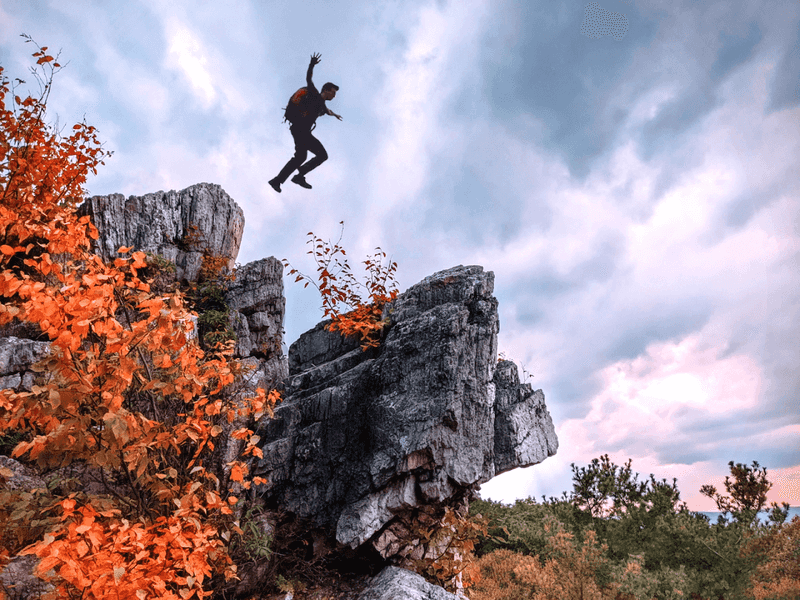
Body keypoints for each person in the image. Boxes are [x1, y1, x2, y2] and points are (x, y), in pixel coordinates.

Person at [269, 53, 342, 192]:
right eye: (333, 92)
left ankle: (277, 180)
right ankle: (299, 176)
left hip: (300, 131)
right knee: (322, 155)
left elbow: (328, 111)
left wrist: (335, 115)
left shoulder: (323, 106)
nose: (334, 95)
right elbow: (309, 78)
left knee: (300, 157)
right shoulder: (314, 94)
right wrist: (311, 65)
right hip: (301, 131)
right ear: (326, 90)